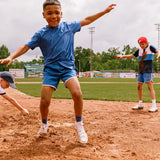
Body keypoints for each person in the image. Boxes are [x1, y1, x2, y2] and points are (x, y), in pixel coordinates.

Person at [0, 0, 116, 143]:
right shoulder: (41, 34)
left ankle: (79, 125)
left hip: (68, 69)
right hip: (51, 70)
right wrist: (11, 56)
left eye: (56, 12)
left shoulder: (69, 27)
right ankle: (44, 124)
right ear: (43, 15)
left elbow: (87, 19)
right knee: (44, 101)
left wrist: (104, 12)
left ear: (61, 13)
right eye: (50, 13)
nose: (53, 16)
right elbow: (25, 47)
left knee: (77, 93)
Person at [116, 37, 160, 112]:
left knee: (150, 86)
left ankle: (154, 105)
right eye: (140, 44)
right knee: (139, 86)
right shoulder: (139, 50)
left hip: (148, 70)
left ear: (146, 43)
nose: (141, 45)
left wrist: (159, 54)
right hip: (141, 70)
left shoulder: (150, 47)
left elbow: (158, 50)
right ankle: (140, 104)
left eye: (142, 44)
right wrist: (122, 56)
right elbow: (131, 55)